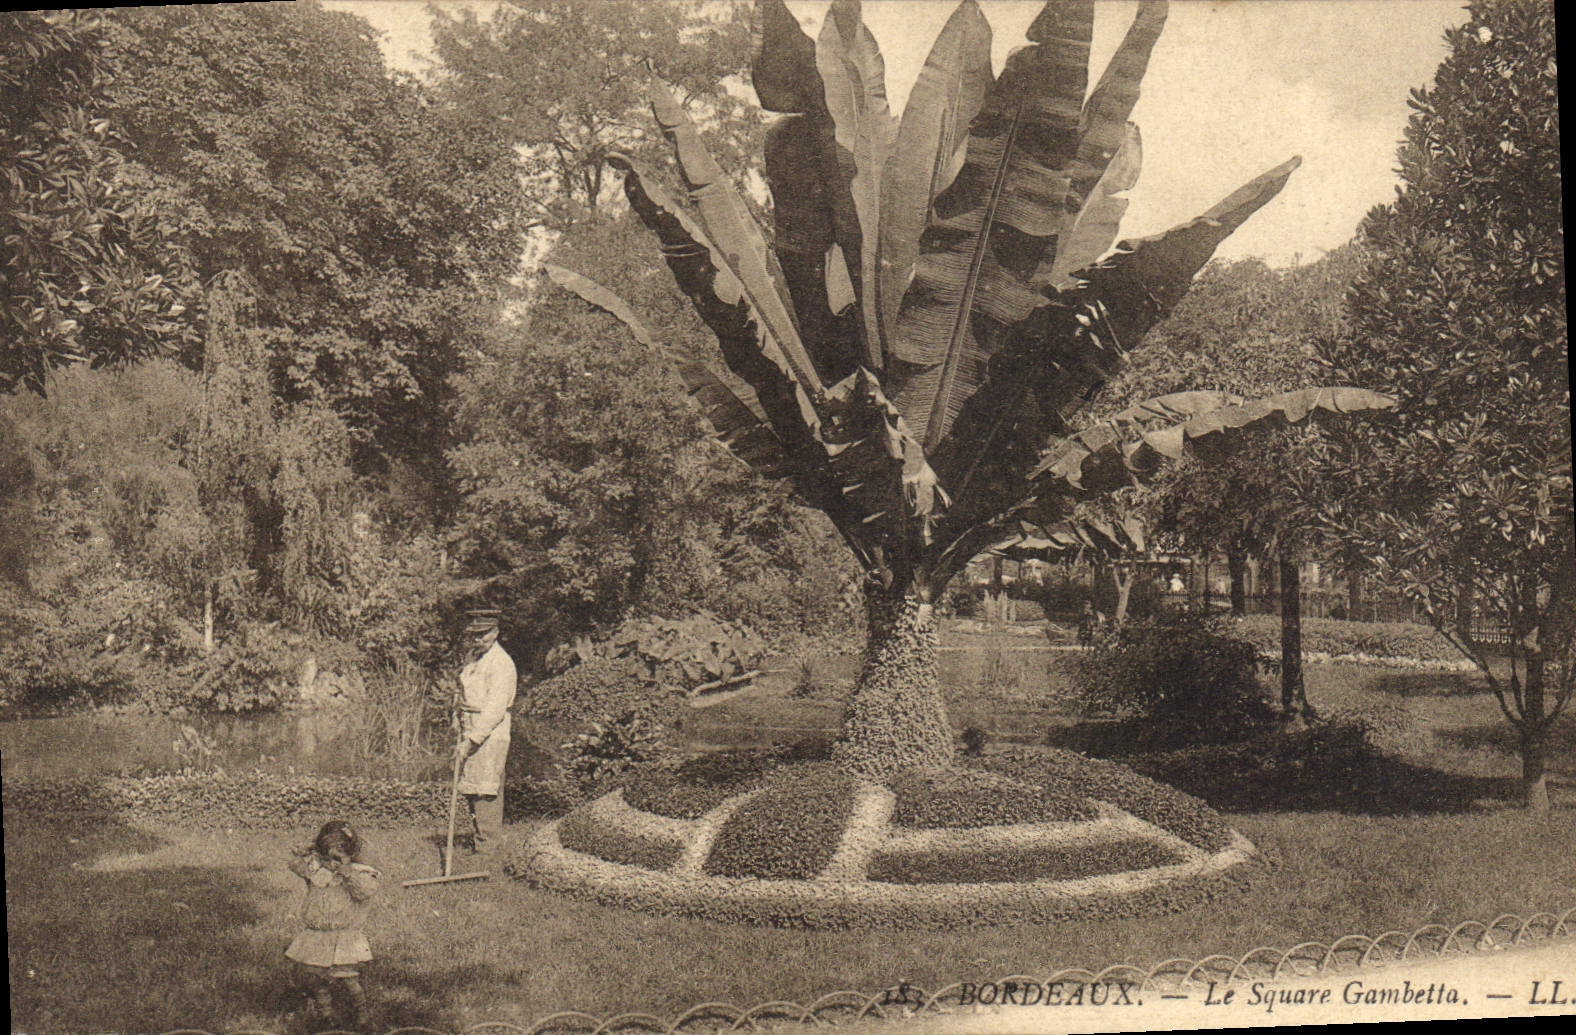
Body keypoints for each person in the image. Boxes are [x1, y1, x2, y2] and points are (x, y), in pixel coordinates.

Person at [286, 819, 380, 1029]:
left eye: (339, 856)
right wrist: (310, 846)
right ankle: (326, 1014)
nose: (333, 863)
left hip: (344, 936)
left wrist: (347, 870)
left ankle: (362, 1015)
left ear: (351, 854)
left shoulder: (359, 873)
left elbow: (364, 892)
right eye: (328, 856)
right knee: (315, 977)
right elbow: (294, 863)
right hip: (317, 934)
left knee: (347, 978)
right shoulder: (318, 872)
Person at [456, 608, 517, 850]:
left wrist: (473, 738)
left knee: (486, 788)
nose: (477, 640)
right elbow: (464, 692)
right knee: (472, 785)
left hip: (490, 731)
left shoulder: (501, 663)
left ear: (495, 632)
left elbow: (495, 708)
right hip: (470, 723)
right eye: (474, 635)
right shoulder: (473, 657)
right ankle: (479, 836)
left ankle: (488, 845)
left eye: (483, 635)